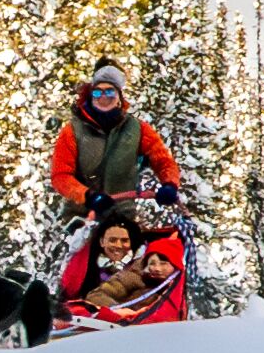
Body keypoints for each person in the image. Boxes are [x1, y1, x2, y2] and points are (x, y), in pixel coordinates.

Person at [50, 58, 185, 224]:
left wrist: (169, 185)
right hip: (80, 218)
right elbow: (61, 176)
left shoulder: (138, 129)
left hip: (122, 217)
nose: (104, 97)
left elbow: (163, 161)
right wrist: (87, 195)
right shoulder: (72, 131)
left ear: (119, 97)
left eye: (110, 92)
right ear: (90, 95)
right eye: (98, 92)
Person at [57, 214, 189, 328]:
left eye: (163, 264)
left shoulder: (173, 288)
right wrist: (120, 313)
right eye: (152, 263)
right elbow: (98, 294)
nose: (157, 268)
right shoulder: (134, 275)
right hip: (120, 321)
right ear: (102, 242)